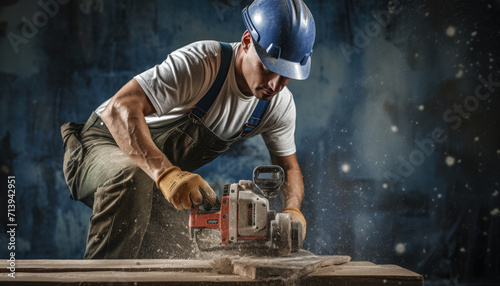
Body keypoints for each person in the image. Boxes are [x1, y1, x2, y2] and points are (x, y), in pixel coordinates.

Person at [61, 0, 316, 259]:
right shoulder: (204, 63)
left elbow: (288, 167)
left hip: (151, 174)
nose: (274, 84)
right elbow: (119, 109)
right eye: (267, 67)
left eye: (285, 75)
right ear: (247, 41)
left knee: (187, 243)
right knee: (132, 178)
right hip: (99, 145)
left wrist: (292, 210)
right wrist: (166, 174)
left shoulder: (278, 106)